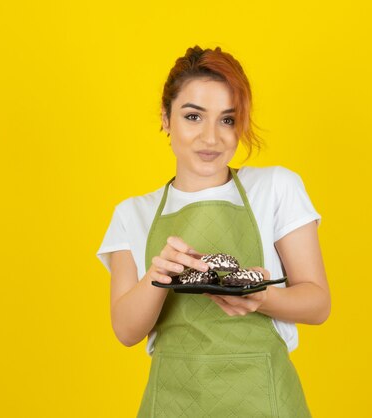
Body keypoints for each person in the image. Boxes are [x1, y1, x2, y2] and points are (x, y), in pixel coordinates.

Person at [96, 45, 330, 417]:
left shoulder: (276, 188)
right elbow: (126, 331)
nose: (211, 138)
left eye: (227, 120)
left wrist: (261, 298)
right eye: (193, 116)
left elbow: (318, 303)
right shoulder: (132, 214)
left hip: (264, 399)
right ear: (166, 118)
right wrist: (158, 276)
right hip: (174, 400)